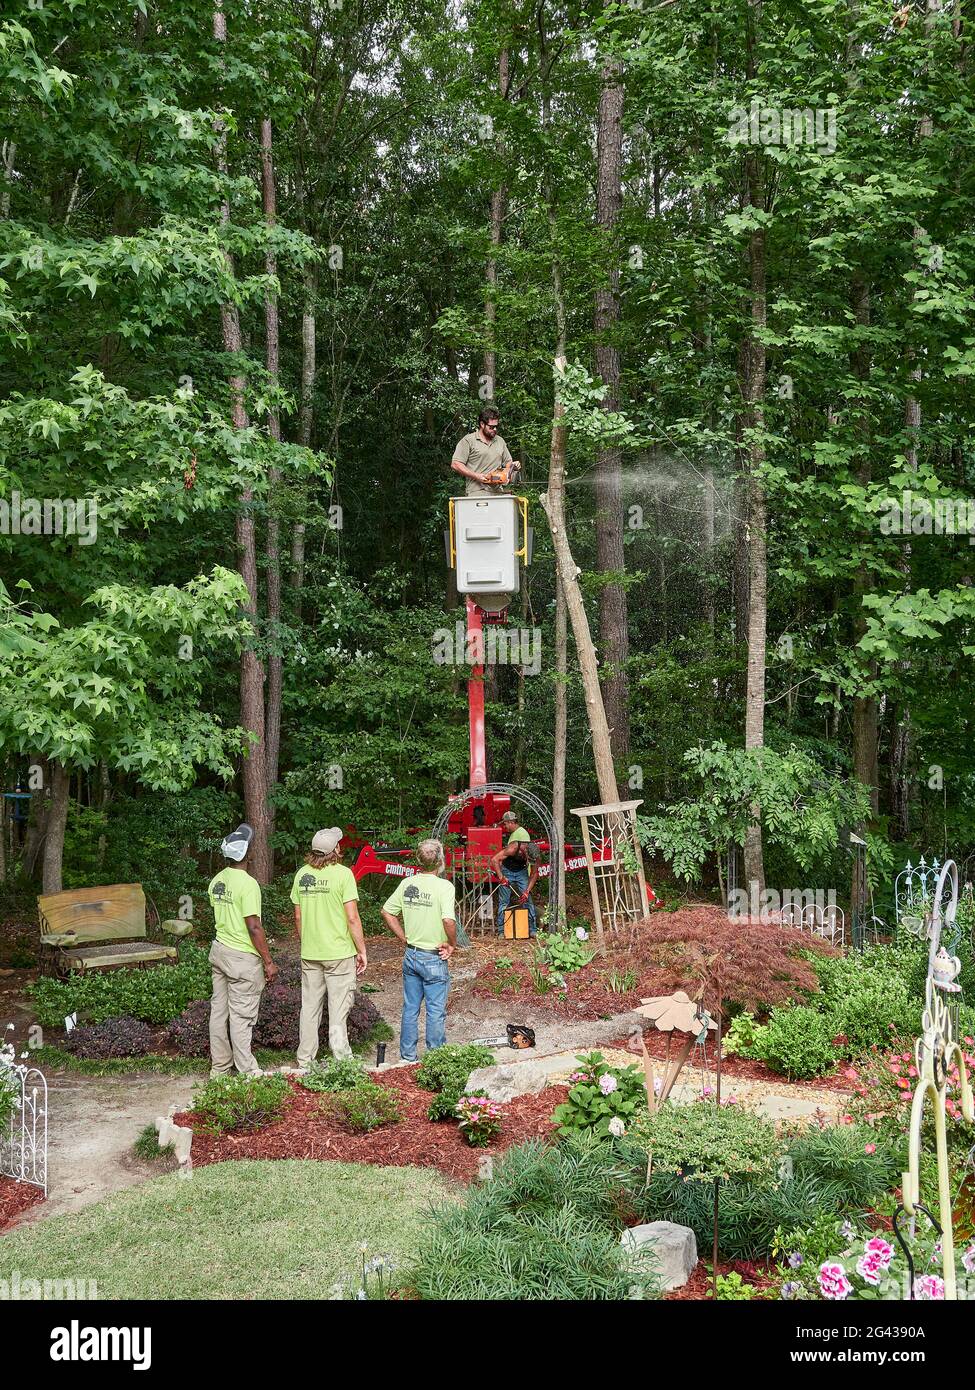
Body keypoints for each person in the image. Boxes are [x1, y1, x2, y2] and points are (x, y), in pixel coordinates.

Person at [289, 826, 367, 1072]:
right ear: (335, 849)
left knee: (310, 1007)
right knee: (338, 1007)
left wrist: (307, 942)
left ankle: (305, 1061)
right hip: (339, 953)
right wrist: (362, 950)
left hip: (311, 953)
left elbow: (298, 917)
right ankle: (341, 1060)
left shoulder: (302, 874)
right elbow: (352, 918)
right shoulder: (343, 875)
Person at [207, 822, 278, 1078]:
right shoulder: (248, 885)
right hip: (241, 958)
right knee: (242, 1016)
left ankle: (220, 1068)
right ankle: (247, 1071)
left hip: (220, 951)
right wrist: (268, 961)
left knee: (219, 1013)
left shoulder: (217, 882)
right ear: (247, 855)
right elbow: (254, 927)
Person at [380, 839, 457, 1062]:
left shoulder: (407, 884)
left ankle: (408, 1057)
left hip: (412, 955)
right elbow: (448, 920)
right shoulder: (444, 887)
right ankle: (435, 1058)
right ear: (441, 860)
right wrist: (452, 944)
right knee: (435, 1010)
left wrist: (405, 938)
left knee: (410, 1008)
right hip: (433, 957)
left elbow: (387, 912)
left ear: (418, 860)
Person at [450, 406, 521, 496]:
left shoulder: (500, 441)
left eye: (496, 426)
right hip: (477, 492)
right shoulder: (469, 440)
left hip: (498, 492)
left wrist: (512, 466)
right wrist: (477, 476)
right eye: (491, 427)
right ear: (482, 424)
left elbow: (508, 463)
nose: (495, 429)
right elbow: (456, 464)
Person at [492, 810, 538, 937]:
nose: (530, 861)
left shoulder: (534, 853)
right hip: (507, 871)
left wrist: (527, 891)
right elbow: (495, 859)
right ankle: (502, 931)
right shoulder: (513, 847)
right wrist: (501, 878)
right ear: (523, 852)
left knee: (527, 899)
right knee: (504, 901)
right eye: (528, 858)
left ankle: (532, 930)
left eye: (506, 824)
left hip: (522, 872)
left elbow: (534, 874)